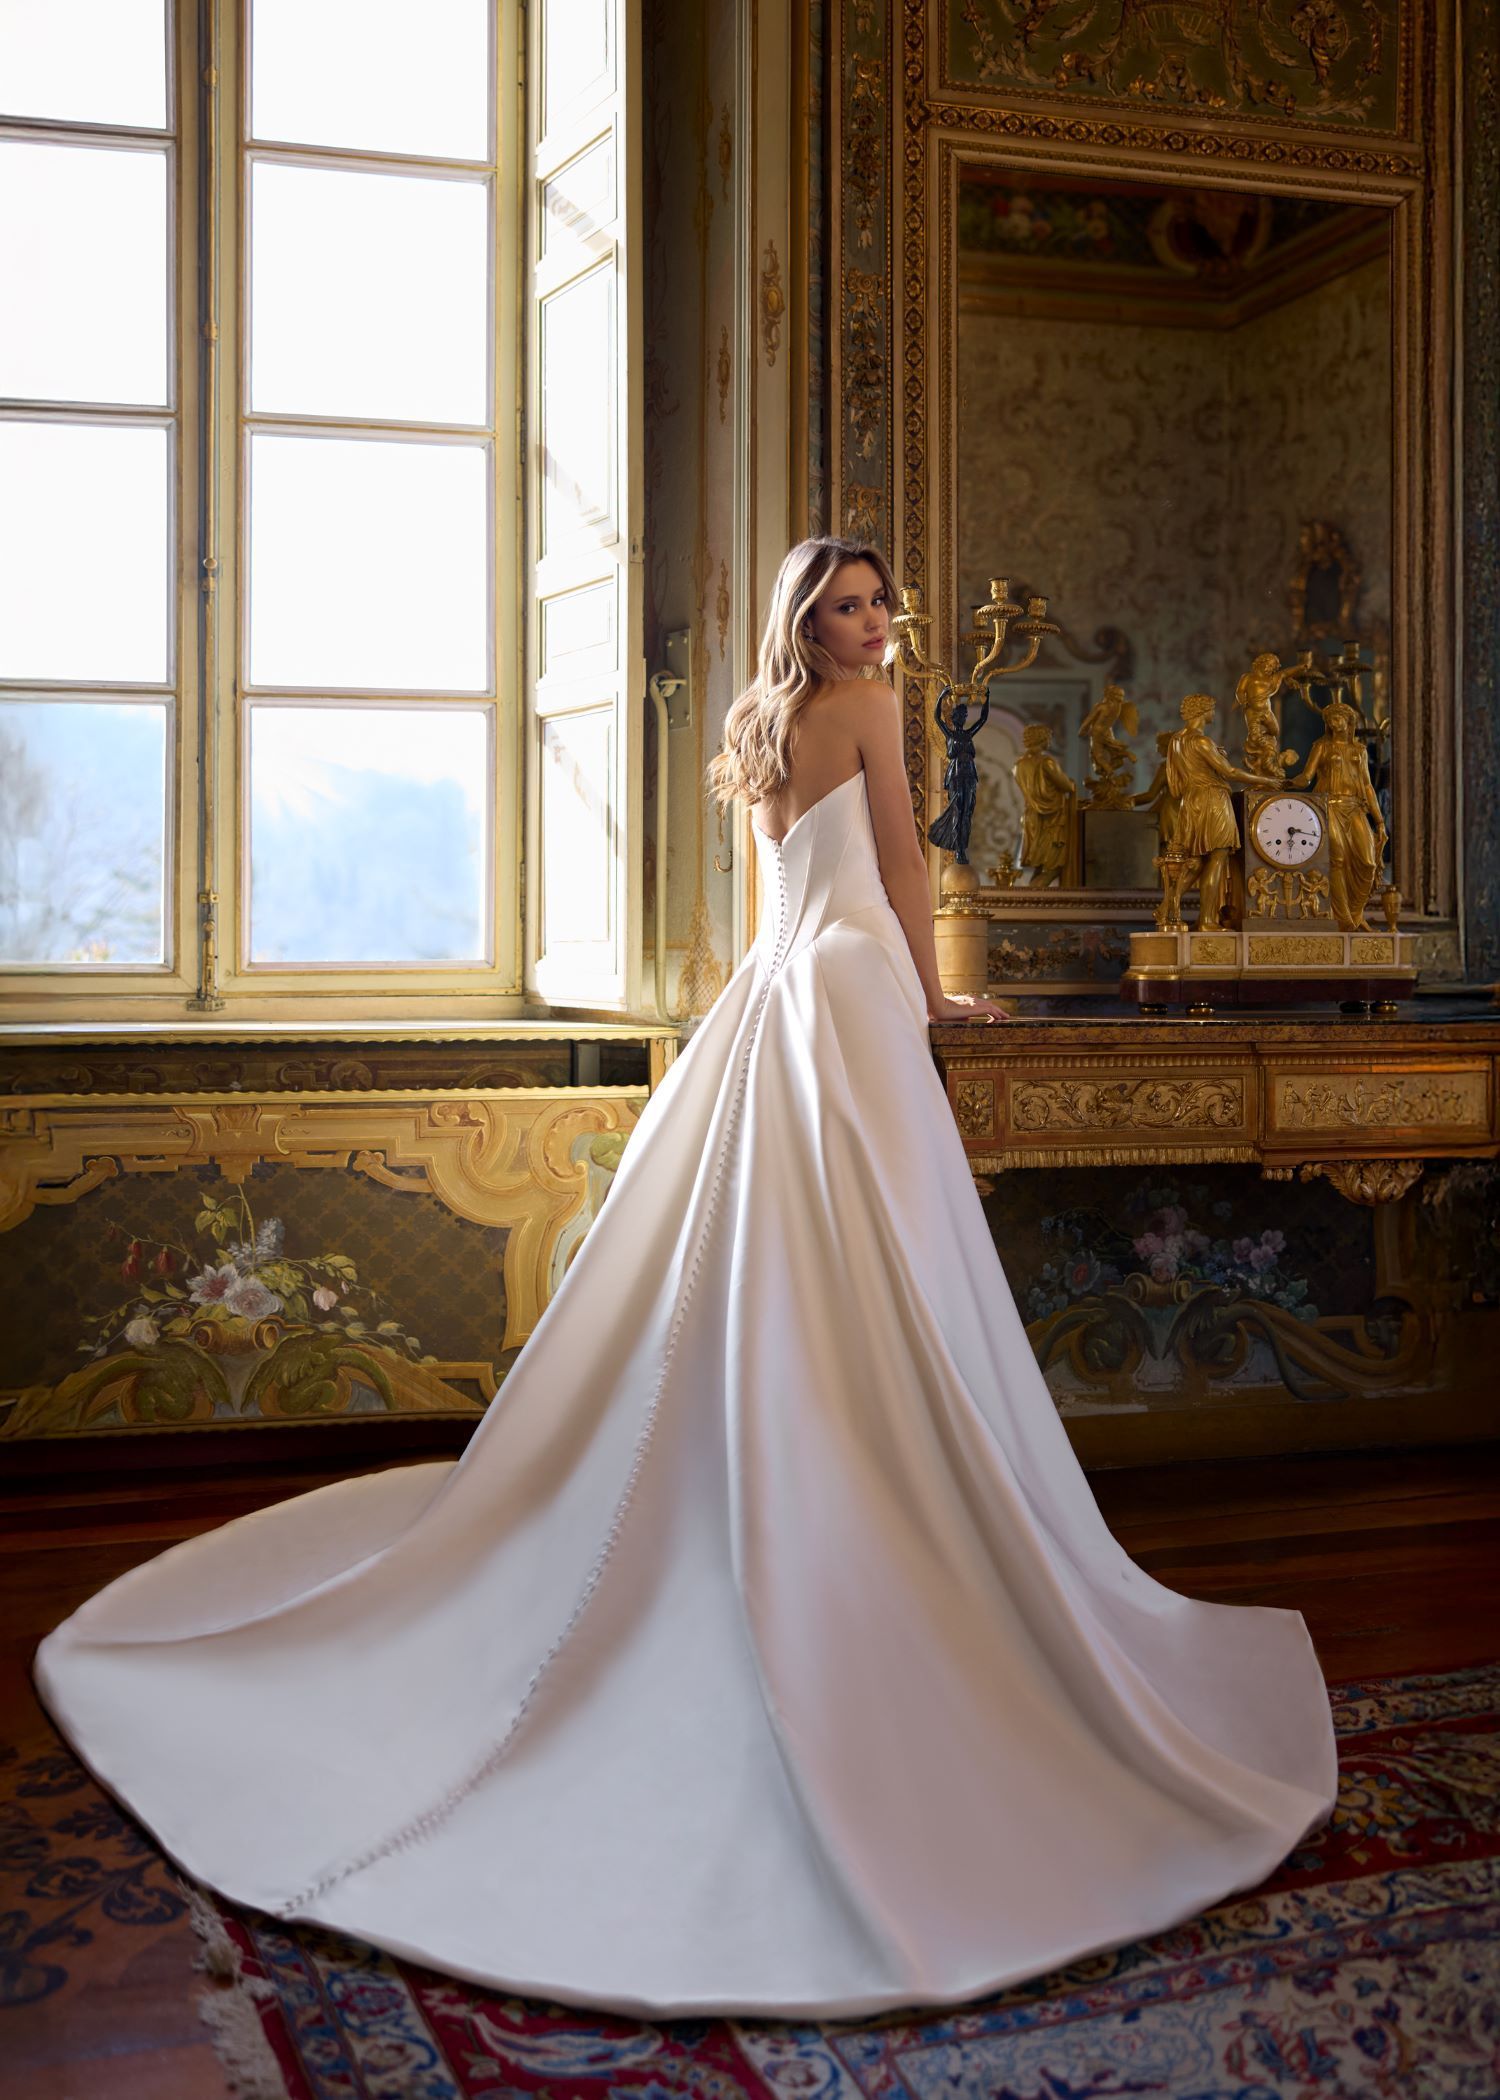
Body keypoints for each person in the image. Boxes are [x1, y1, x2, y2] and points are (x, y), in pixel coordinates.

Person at [34, 535, 1338, 2022]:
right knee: (872, 1261)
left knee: (781, 1260)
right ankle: (847, 1492)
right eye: (846, 608)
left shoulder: (756, 725)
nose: (869, 625)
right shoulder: (869, 709)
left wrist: (837, 979)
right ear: (812, 620)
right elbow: (903, 860)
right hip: (846, 1001)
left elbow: (774, 901)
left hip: (774, 1000)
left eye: (874, 606)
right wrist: (930, 998)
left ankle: (781, 1470)